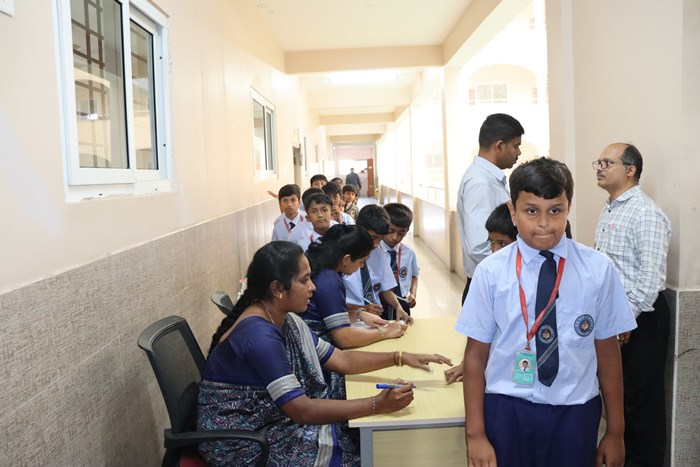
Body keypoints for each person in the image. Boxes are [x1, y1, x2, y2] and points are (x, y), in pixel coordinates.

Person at [198, 241, 452, 466]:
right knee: (362, 451)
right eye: (304, 280)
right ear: (277, 288)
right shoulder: (260, 335)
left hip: (270, 423)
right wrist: (377, 404)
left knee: (360, 438)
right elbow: (302, 411)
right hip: (245, 444)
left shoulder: (284, 319)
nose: (313, 287)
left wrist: (400, 357)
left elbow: (341, 359)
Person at [456, 157, 637, 467]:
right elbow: (475, 357)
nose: (543, 223)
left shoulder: (598, 270)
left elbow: (608, 353)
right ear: (513, 212)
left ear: (568, 208)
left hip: (575, 411)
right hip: (507, 408)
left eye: (555, 211)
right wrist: (475, 435)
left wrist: (616, 432)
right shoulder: (490, 273)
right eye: (531, 211)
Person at [593, 143, 671, 467]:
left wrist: (626, 319)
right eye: (598, 162)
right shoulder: (611, 209)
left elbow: (650, 279)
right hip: (617, 316)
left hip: (641, 317)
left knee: (641, 402)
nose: (599, 168)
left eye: (607, 162)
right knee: (619, 397)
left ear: (630, 170)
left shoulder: (645, 213)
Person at [445, 202, 518, 384]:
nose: (494, 251)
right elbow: (480, 336)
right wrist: (467, 365)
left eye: (503, 243)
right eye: (491, 242)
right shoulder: (490, 275)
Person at [457, 113, 524, 304]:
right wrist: (516, 272)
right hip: (491, 286)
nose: (519, 152)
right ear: (499, 146)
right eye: (516, 146)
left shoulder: (488, 179)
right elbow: (479, 247)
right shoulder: (481, 183)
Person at [343, 205, 413, 324]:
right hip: (350, 319)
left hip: (375, 319)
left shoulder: (379, 254)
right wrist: (362, 309)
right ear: (359, 229)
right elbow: (332, 301)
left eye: (380, 239)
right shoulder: (343, 257)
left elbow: (386, 288)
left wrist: (398, 307)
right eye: (373, 238)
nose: (376, 244)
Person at [380, 203, 419, 317]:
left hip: (402, 301)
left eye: (401, 233)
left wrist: (413, 294)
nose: (395, 237)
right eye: (391, 231)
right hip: (378, 303)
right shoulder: (373, 253)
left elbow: (414, 275)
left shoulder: (409, 254)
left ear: (407, 231)